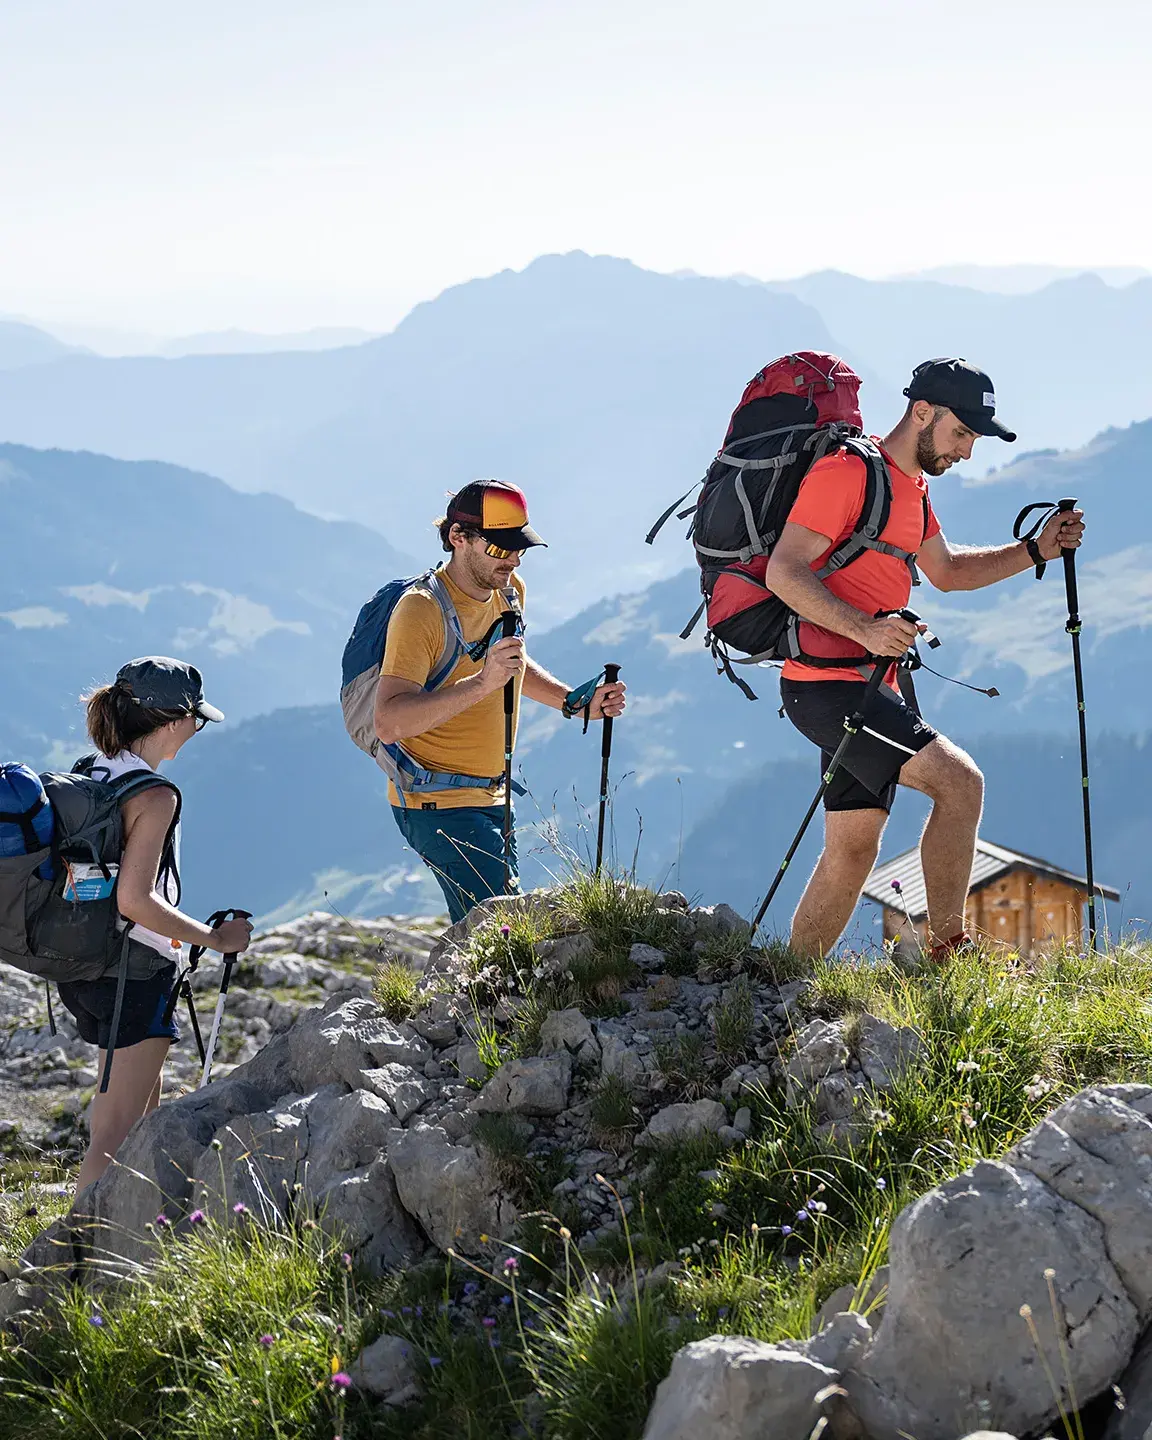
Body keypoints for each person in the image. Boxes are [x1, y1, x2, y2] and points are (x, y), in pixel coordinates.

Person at [764, 358, 1085, 961]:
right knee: (961, 784)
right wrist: (865, 628)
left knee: (853, 849)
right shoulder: (848, 473)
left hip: (863, 689)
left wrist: (1035, 550)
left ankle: (787, 981)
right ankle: (947, 951)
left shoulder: (911, 489)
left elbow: (947, 572)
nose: (967, 451)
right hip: (825, 687)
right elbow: (785, 569)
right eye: (962, 433)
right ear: (922, 413)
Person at [374, 480, 626, 922]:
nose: (511, 560)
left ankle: (465, 993)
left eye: (519, 548)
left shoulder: (509, 592)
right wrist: (481, 683)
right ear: (458, 538)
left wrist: (573, 702)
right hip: (436, 802)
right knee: (500, 930)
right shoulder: (421, 611)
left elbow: (513, 665)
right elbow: (388, 722)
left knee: (492, 931)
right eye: (499, 548)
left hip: (492, 795)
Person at [60, 658, 253, 1196]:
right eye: (197, 719)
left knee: (136, 1118)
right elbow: (136, 901)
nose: (197, 730)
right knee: (114, 1134)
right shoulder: (154, 795)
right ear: (170, 723)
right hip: (136, 975)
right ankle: (62, 1263)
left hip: (89, 968)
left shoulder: (90, 771)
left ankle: (125, 1246)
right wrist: (215, 940)